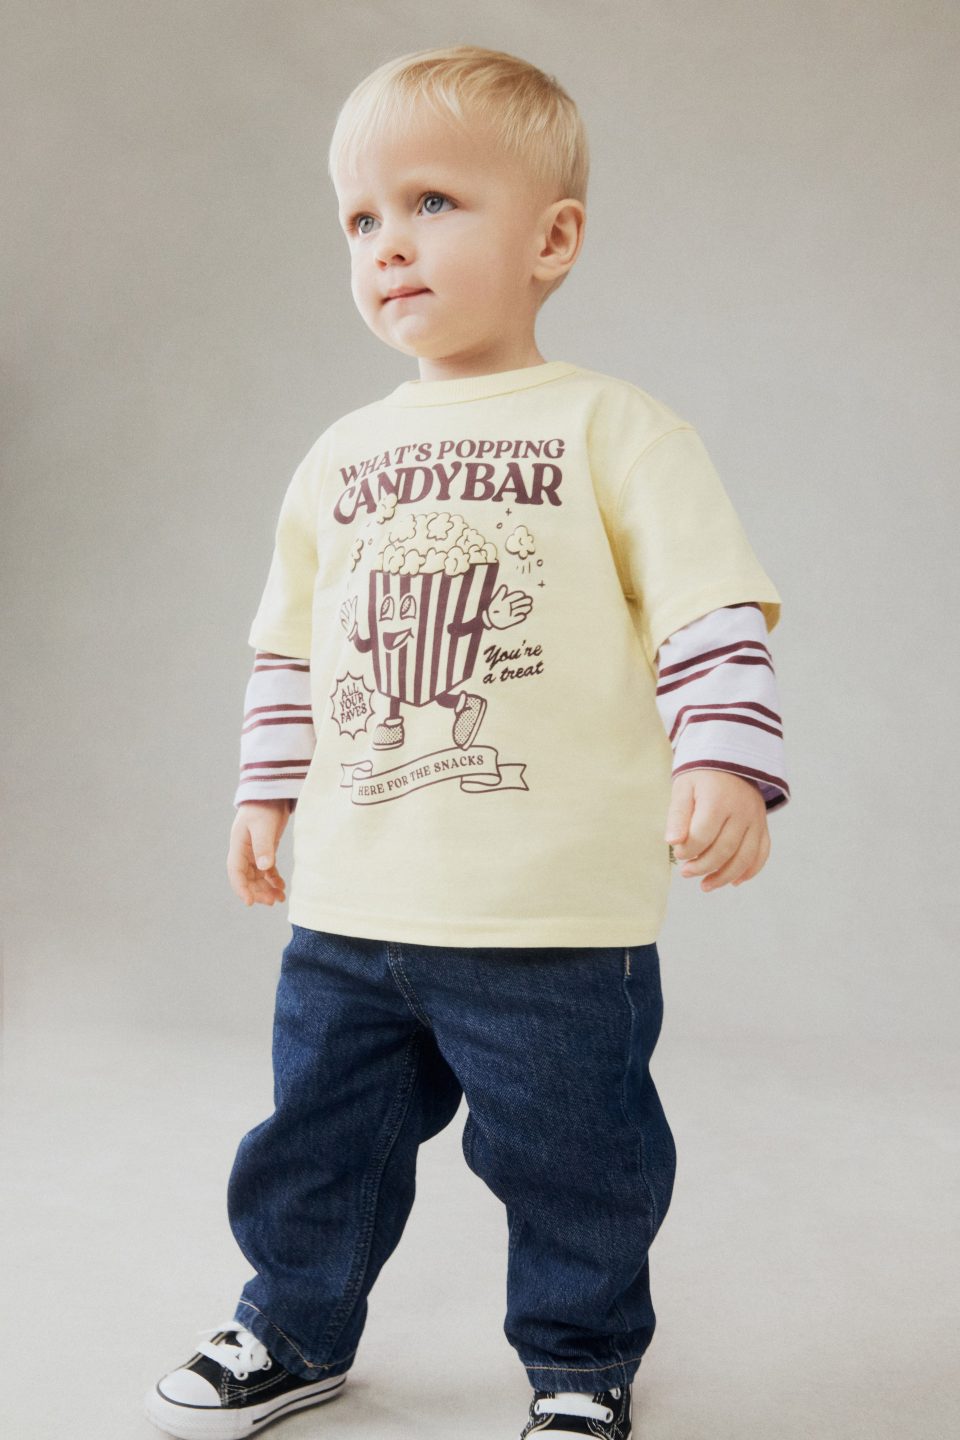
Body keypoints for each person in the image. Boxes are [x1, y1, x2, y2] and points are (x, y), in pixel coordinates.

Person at [145, 43, 790, 1440]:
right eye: (360, 218)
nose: (388, 244)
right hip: (353, 906)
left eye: (431, 202)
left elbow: (709, 608)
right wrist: (266, 792)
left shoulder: (615, 429)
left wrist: (724, 758)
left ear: (550, 239)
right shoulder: (338, 456)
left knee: (576, 1161)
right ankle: (291, 1326)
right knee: (316, 1143)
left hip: (549, 917)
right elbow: (292, 644)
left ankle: (580, 1365)